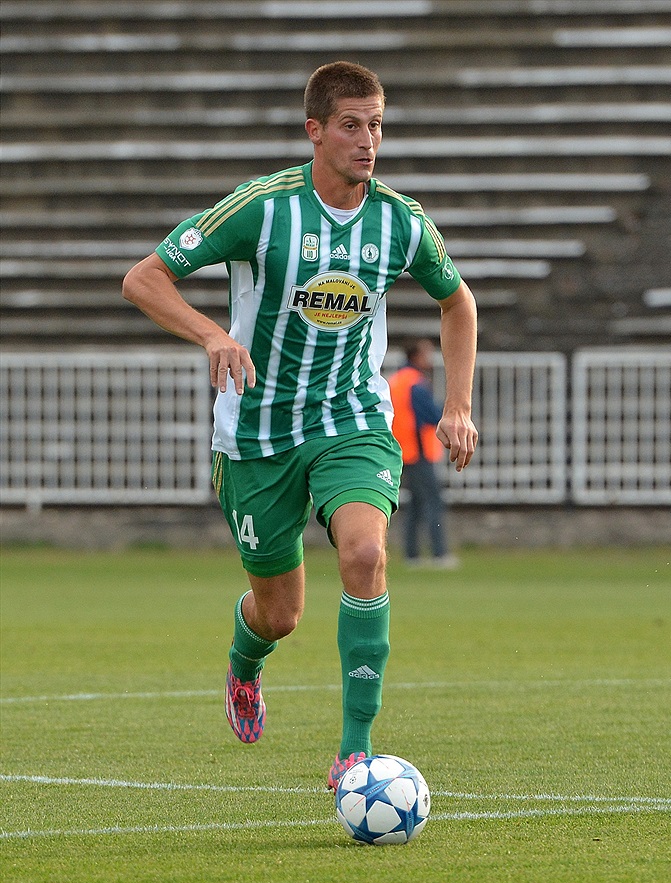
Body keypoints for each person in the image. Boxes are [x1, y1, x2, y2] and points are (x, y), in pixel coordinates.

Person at [122, 61, 478, 792]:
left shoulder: (400, 221)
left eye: (377, 124)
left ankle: (355, 751)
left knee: (364, 558)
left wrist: (459, 406)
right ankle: (244, 662)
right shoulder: (262, 208)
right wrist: (212, 336)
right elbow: (144, 278)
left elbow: (458, 301)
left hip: (352, 421)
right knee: (280, 614)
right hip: (255, 437)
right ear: (315, 131)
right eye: (352, 125)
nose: (368, 140)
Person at [389, 338, 458, 568]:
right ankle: (439, 554)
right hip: (419, 451)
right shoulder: (416, 384)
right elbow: (431, 414)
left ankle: (412, 555)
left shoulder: (395, 381)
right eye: (426, 354)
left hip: (402, 450)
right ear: (416, 357)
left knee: (415, 505)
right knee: (432, 502)